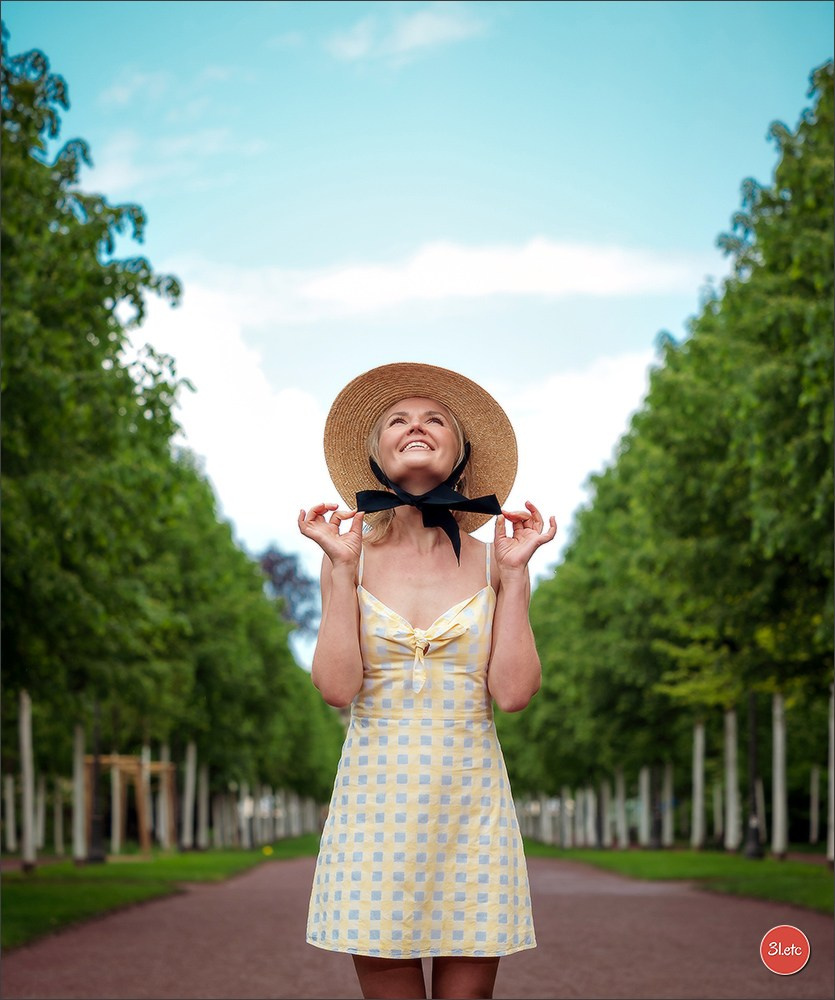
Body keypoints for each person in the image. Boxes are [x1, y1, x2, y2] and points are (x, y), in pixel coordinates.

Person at [298, 362, 556, 1000]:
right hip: (372, 804)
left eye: (435, 419)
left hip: (471, 802)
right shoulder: (348, 558)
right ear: (376, 452)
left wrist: (516, 576)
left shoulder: (497, 560)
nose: (416, 426)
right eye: (399, 420)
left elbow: (515, 695)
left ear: (460, 451)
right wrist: (337, 572)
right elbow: (336, 688)